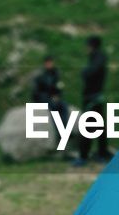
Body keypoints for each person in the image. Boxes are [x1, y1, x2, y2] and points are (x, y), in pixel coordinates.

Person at [74, 35, 113, 166]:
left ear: (91, 46)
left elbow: (90, 73)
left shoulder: (98, 58)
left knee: (87, 127)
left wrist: (84, 72)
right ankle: (102, 152)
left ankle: (83, 156)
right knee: (100, 126)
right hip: (96, 97)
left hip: (92, 98)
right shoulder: (98, 58)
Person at [30, 55, 68, 124]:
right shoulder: (40, 75)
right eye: (47, 63)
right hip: (43, 98)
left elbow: (59, 87)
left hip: (52, 97)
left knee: (64, 105)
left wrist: (57, 96)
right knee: (53, 106)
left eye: (50, 62)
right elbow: (36, 91)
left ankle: (64, 127)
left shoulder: (55, 73)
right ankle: (57, 127)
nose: (49, 64)